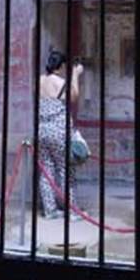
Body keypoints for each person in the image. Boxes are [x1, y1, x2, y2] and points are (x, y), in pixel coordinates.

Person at [37, 49, 84, 220]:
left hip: (42, 129)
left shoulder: (40, 80)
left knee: (46, 171)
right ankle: (71, 211)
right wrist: (75, 75)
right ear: (62, 66)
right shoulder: (60, 82)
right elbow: (74, 97)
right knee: (65, 170)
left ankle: (50, 210)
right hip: (58, 130)